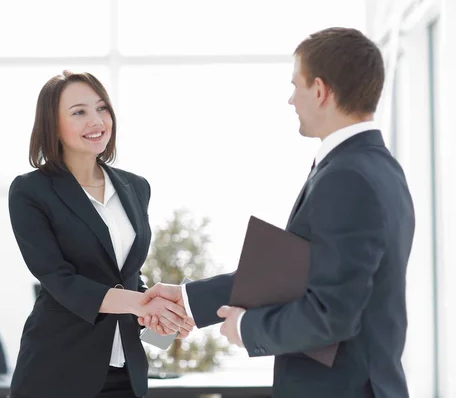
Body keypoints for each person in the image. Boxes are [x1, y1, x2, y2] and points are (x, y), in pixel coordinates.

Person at [140, 27, 415, 398]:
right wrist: (190, 300)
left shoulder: (348, 177)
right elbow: (297, 272)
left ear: (319, 91)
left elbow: (333, 313)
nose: (291, 101)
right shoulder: (374, 167)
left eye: (295, 86)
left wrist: (248, 328)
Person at [7, 71, 193, 398]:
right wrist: (144, 304)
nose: (97, 120)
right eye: (79, 112)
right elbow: (61, 280)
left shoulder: (135, 187)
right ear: (53, 125)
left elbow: (129, 278)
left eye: (102, 108)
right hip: (58, 371)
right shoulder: (30, 191)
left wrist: (161, 323)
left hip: (128, 372)